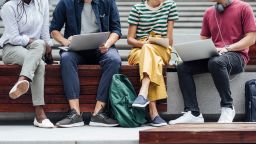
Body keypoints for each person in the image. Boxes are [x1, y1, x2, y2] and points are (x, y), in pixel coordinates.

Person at [169, 0, 256, 124]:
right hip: (214, 56)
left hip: (237, 56)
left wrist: (227, 48)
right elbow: (203, 39)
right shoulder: (209, 12)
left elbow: (251, 38)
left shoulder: (244, 7)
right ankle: (193, 113)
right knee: (183, 67)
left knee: (216, 62)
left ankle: (228, 107)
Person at [50, 0, 122, 128]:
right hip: (76, 50)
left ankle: (98, 113)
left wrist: (107, 44)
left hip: (101, 48)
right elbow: (54, 30)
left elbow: (116, 29)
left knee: (114, 60)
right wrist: (66, 42)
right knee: (66, 58)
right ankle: (75, 114)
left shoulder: (108, 2)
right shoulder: (66, 3)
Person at [0, 0, 54, 128]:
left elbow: (45, 33)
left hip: (35, 49)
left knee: (40, 47)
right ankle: (39, 114)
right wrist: (36, 42)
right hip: (12, 48)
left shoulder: (43, 3)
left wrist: (48, 50)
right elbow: (14, 38)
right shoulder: (8, 7)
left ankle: (22, 80)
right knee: (39, 64)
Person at [127, 0, 178, 127]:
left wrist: (153, 42)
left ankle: (143, 94)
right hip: (139, 49)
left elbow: (170, 41)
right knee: (151, 56)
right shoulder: (137, 8)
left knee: (150, 51)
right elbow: (130, 39)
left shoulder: (170, 5)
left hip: (162, 48)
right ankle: (154, 114)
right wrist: (144, 44)